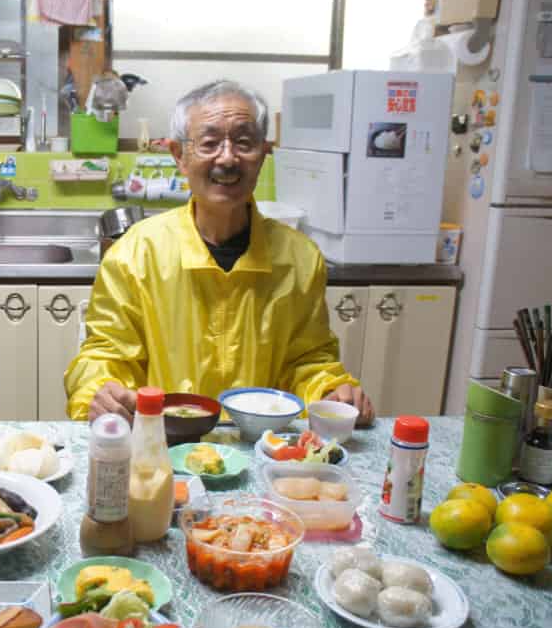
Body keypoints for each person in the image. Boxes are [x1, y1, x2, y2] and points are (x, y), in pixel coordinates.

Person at [65, 79, 374, 425]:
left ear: (263, 153)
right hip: (163, 445)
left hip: (262, 450)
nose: (227, 158)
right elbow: (106, 353)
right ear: (179, 156)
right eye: (210, 143)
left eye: (244, 142)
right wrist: (101, 392)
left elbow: (308, 360)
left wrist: (332, 391)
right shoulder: (134, 255)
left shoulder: (300, 259)